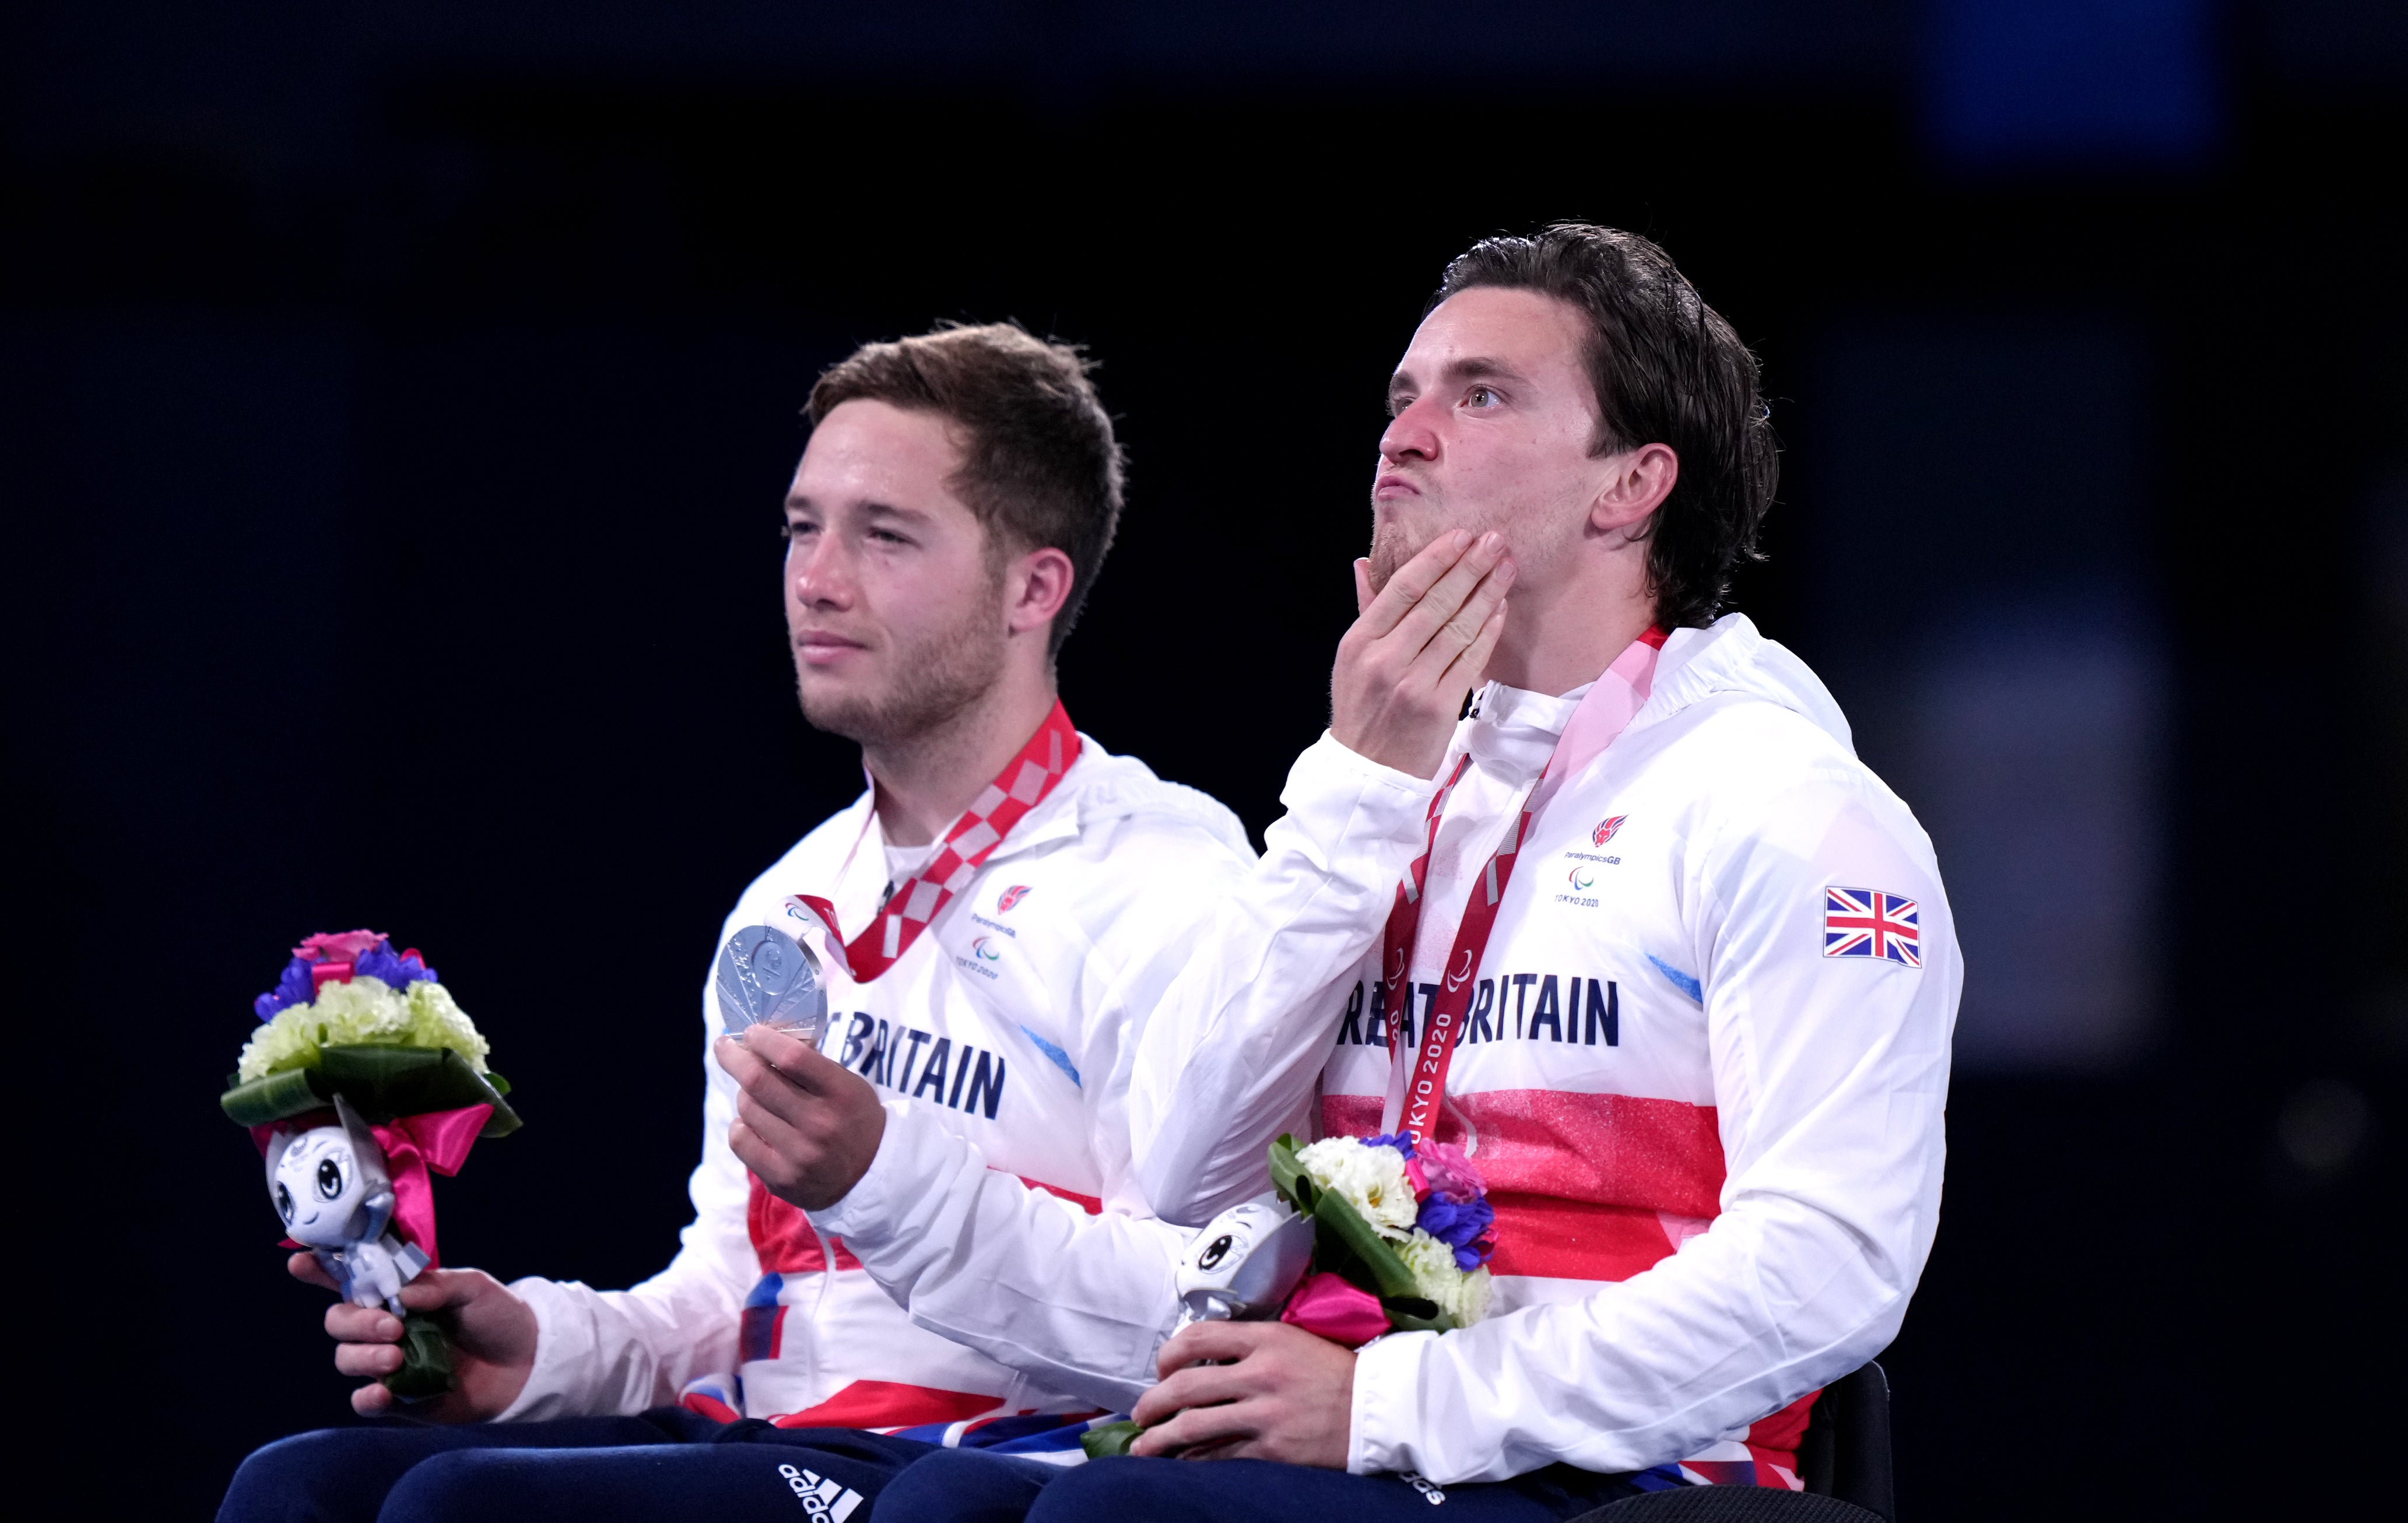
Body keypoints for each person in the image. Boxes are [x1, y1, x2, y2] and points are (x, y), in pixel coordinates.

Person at [876, 224, 1961, 1523]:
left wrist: (1393, 1408)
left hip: (1618, 1476)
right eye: (1402, 395)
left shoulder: (1787, 811)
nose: (1404, 434)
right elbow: (1179, 1175)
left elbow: (1833, 1263)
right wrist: (1356, 782)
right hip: (1374, 1442)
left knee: (1114, 1520)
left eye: (1480, 393)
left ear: (1629, 488)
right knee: (948, 1507)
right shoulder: (1394, 794)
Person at [218, 322, 1270, 1523]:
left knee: (462, 1509)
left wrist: (882, 1178)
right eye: (802, 526)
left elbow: (1192, 1314)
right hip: (763, 1432)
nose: (817, 577)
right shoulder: (792, 895)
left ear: (1034, 585)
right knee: (298, 1485)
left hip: (990, 1455)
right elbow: (731, 1288)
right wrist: (541, 1349)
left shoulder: (1167, 885)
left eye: (883, 534)